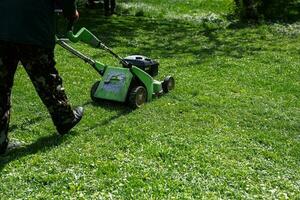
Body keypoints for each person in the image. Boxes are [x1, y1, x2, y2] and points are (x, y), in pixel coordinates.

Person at [0, 0, 84, 155]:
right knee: (46, 78)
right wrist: (71, 13)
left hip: (3, 28)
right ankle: (65, 118)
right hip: (34, 28)